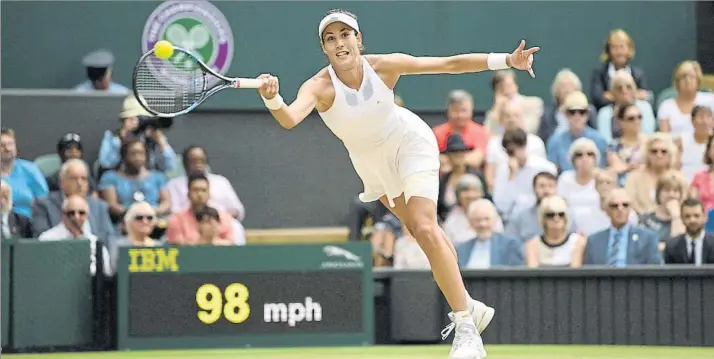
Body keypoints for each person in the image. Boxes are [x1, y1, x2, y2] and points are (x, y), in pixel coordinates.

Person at [255, 9, 539, 359]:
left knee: (423, 224)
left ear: (358, 39)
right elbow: (289, 118)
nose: (340, 43)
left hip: (410, 143)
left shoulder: (384, 66)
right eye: (331, 38)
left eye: (346, 35)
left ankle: (466, 328)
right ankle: (469, 306)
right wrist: (272, 97)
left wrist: (506, 60)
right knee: (423, 234)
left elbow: (449, 65)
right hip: (373, 166)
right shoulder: (319, 87)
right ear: (324, 49)